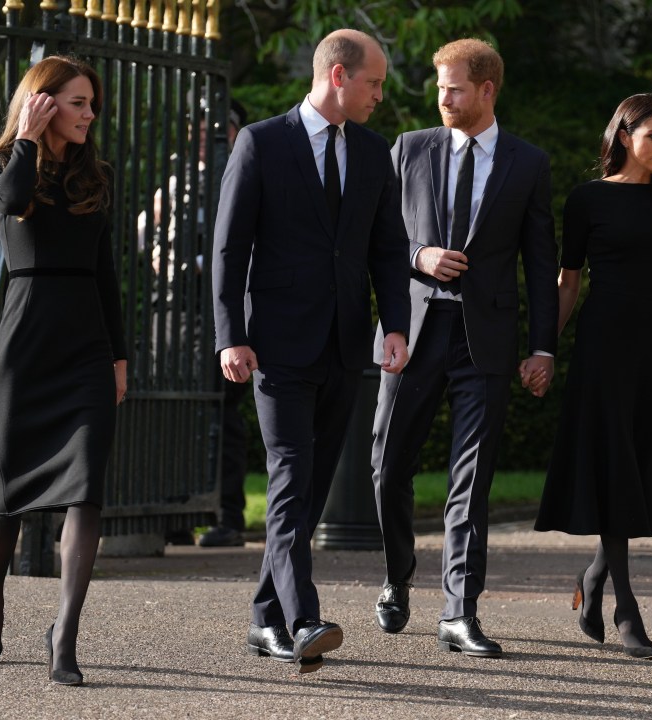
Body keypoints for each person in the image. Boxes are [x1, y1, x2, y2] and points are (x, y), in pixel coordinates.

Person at [212, 28, 411, 673]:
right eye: (373, 83)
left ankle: (264, 619)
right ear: (338, 77)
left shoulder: (376, 153)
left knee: (311, 488)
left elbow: (386, 248)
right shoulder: (261, 143)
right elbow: (229, 247)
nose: (380, 94)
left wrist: (395, 325)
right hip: (275, 344)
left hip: (345, 343)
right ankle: (303, 619)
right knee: (292, 477)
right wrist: (230, 335)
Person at [370, 38, 558, 659]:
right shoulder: (410, 148)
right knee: (388, 464)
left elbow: (540, 260)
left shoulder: (528, 164)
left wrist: (543, 348)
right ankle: (398, 577)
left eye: (453, 88)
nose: (442, 97)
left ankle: (459, 610)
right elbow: (380, 237)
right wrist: (419, 256)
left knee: (471, 478)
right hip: (414, 330)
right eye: (439, 87)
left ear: (486, 90)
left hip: (487, 339)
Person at [0, 56, 127, 686]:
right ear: (43, 103)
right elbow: (8, 208)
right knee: (6, 493)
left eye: (93, 104)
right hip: (26, 341)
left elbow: (108, 272)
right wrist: (28, 142)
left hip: (86, 343)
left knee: (86, 488)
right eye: (79, 103)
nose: (91, 114)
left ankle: (65, 634)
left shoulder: (98, 176)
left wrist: (118, 356)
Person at [535, 93, 652, 660]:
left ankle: (592, 577)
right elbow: (568, 282)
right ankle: (626, 605)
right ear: (624, 135)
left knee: (638, 469)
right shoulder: (587, 200)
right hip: (602, 351)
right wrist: (543, 350)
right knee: (616, 470)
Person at [137, 99, 252, 548]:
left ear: (237, 132)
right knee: (174, 411)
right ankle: (176, 511)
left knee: (220, 412)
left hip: (220, 311)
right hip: (171, 307)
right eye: (200, 127)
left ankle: (228, 516)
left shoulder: (243, 173)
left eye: (219, 128)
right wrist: (165, 260)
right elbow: (150, 230)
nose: (207, 135)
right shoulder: (179, 179)